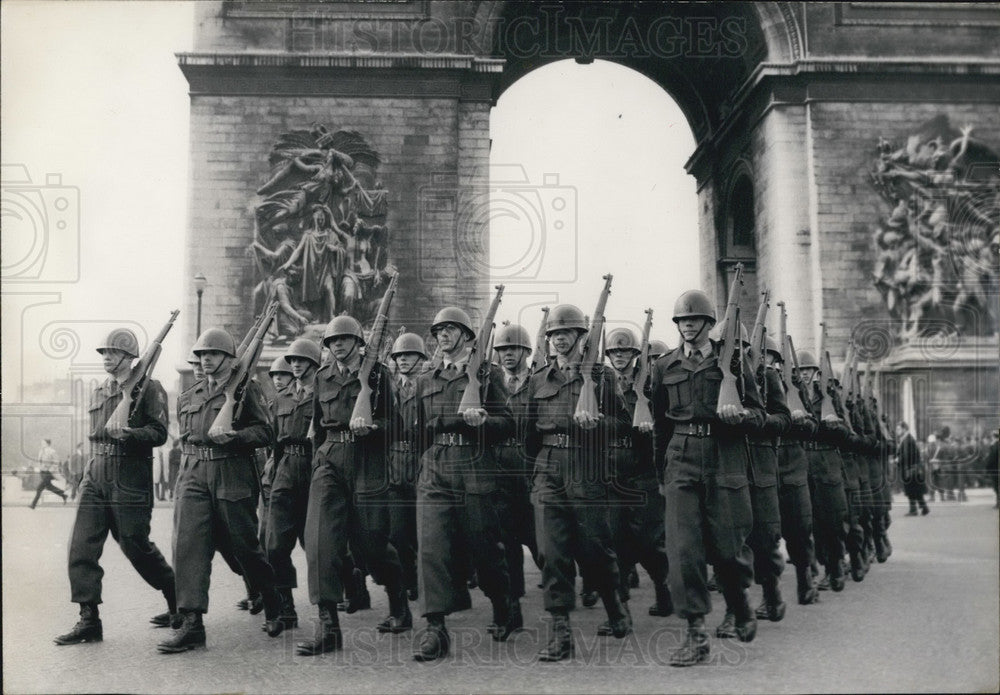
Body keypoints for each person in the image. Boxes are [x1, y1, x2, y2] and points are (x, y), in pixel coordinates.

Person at [646, 290, 765, 667]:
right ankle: (695, 633)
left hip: (723, 457)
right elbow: (660, 424)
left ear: (710, 324)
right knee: (683, 553)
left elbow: (761, 416)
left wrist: (741, 417)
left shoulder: (733, 363)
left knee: (727, 548)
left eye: (695, 319)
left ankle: (738, 603)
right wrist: (660, 472)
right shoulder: (664, 367)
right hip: (680, 459)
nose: (688, 324)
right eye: (682, 320)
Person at [159, 328, 285, 653]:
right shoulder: (190, 395)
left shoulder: (247, 391)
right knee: (188, 546)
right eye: (201, 355)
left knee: (244, 546)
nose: (206, 360)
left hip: (232, 472)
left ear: (230, 359)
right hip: (194, 473)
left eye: (213, 354)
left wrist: (236, 437)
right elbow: (184, 438)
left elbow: (265, 432)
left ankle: (272, 597)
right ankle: (192, 624)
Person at [296, 316, 409, 657]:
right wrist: (319, 461)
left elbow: (397, 425)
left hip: (367, 461)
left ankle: (398, 598)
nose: (338, 345)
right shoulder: (321, 377)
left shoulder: (378, 375)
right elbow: (317, 426)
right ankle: (328, 626)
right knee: (320, 543)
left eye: (345, 339)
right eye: (332, 341)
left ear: (358, 342)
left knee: (371, 546)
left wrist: (372, 427)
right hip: (330, 460)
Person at [54, 329, 176, 645]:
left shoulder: (150, 388)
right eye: (103, 352)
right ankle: (88, 619)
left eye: (111, 352)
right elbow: (95, 433)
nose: (105, 357)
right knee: (81, 545)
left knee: (135, 544)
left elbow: (160, 433)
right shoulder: (100, 391)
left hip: (129, 471)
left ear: (129, 357)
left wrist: (132, 435)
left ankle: (176, 596)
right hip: (96, 472)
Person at [527, 304, 632, 662]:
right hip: (548, 467)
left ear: (581, 337)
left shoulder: (602, 378)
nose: (558, 340)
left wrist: (597, 424)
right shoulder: (539, 378)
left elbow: (623, 426)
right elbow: (527, 432)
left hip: (586, 467)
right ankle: (560, 631)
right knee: (550, 552)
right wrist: (537, 474)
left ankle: (615, 605)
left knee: (595, 549)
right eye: (554, 334)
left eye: (565, 333)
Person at [411, 307, 514, 661]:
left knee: (484, 550)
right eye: (438, 330)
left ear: (468, 336)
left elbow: (509, 424)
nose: (443, 335)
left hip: (474, 466)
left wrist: (483, 422)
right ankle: (435, 629)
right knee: (431, 548)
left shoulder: (487, 375)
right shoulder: (427, 377)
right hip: (436, 467)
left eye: (451, 329)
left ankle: (503, 602)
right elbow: (417, 427)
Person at [602, 327, 672, 626]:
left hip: (643, 469)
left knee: (649, 542)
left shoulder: (648, 385)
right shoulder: (600, 385)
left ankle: (663, 585)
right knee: (615, 542)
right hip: (612, 470)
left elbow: (665, 421)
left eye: (625, 352)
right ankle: (622, 610)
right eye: (615, 352)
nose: (619, 356)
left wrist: (650, 427)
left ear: (634, 355)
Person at [265, 338, 323, 630]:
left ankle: (332, 609)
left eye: (301, 360)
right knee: (274, 545)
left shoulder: (325, 395)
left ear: (314, 363)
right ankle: (286, 609)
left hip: (316, 470)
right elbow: (275, 441)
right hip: (286, 470)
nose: (296, 364)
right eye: (292, 360)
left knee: (317, 546)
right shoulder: (281, 399)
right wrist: (273, 475)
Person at [491, 323, 542, 633]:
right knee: (506, 544)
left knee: (542, 544)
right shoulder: (490, 383)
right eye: (502, 350)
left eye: (513, 349)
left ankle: (560, 596)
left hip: (531, 468)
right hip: (499, 471)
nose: (507, 354)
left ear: (525, 352)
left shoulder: (537, 383)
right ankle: (513, 610)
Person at [387, 332, 429, 603]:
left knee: (424, 533)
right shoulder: (388, 389)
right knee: (398, 534)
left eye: (409, 355)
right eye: (399, 356)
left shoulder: (428, 386)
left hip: (421, 463)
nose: (403, 360)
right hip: (394, 467)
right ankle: (410, 580)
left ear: (420, 358)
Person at [897, 422, 928, 515]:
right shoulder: (908, 439)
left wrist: (898, 460)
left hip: (909, 469)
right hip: (914, 469)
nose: (897, 431)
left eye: (898, 429)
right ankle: (924, 507)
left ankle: (913, 510)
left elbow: (906, 455)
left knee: (910, 489)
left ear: (904, 429)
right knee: (916, 489)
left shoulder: (907, 440)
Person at [30, 439, 67, 508]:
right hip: (42, 472)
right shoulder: (41, 451)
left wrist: (51, 470)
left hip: (48, 472)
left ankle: (33, 504)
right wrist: (39, 468)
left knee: (39, 488)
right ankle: (63, 495)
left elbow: (56, 461)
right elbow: (39, 461)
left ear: (47, 444)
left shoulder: (52, 451)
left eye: (43, 443)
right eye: (41, 443)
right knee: (49, 487)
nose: (42, 444)